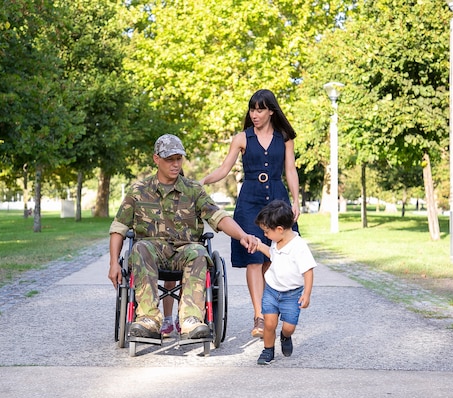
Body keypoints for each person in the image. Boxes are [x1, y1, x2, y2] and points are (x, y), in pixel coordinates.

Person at [108, 134, 258, 340]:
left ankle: (191, 320)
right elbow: (119, 227)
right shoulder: (138, 191)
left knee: (198, 251)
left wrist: (242, 235)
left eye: (179, 159)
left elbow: (218, 217)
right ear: (156, 159)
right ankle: (148, 319)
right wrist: (113, 263)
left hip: (185, 251)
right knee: (140, 248)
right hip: (152, 250)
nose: (175, 164)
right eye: (170, 159)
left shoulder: (193, 190)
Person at [200, 89, 300, 338]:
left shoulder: (285, 138)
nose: (254, 114)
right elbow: (224, 169)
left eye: (260, 110)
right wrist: (201, 182)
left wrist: (296, 201)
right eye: (252, 109)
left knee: (272, 259)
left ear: (271, 111)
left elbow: (290, 170)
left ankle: (271, 309)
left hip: (278, 201)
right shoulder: (241, 138)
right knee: (254, 259)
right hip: (250, 203)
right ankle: (259, 316)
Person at [252, 200, 316, 365]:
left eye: (266, 232)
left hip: (292, 294)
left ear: (280, 229)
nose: (265, 235)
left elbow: (308, 271)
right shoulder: (276, 240)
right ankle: (268, 350)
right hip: (272, 291)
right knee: (269, 323)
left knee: (289, 327)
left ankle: (285, 336)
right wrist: (259, 246)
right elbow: (272, 255)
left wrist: (306, 294)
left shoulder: (299, 246)